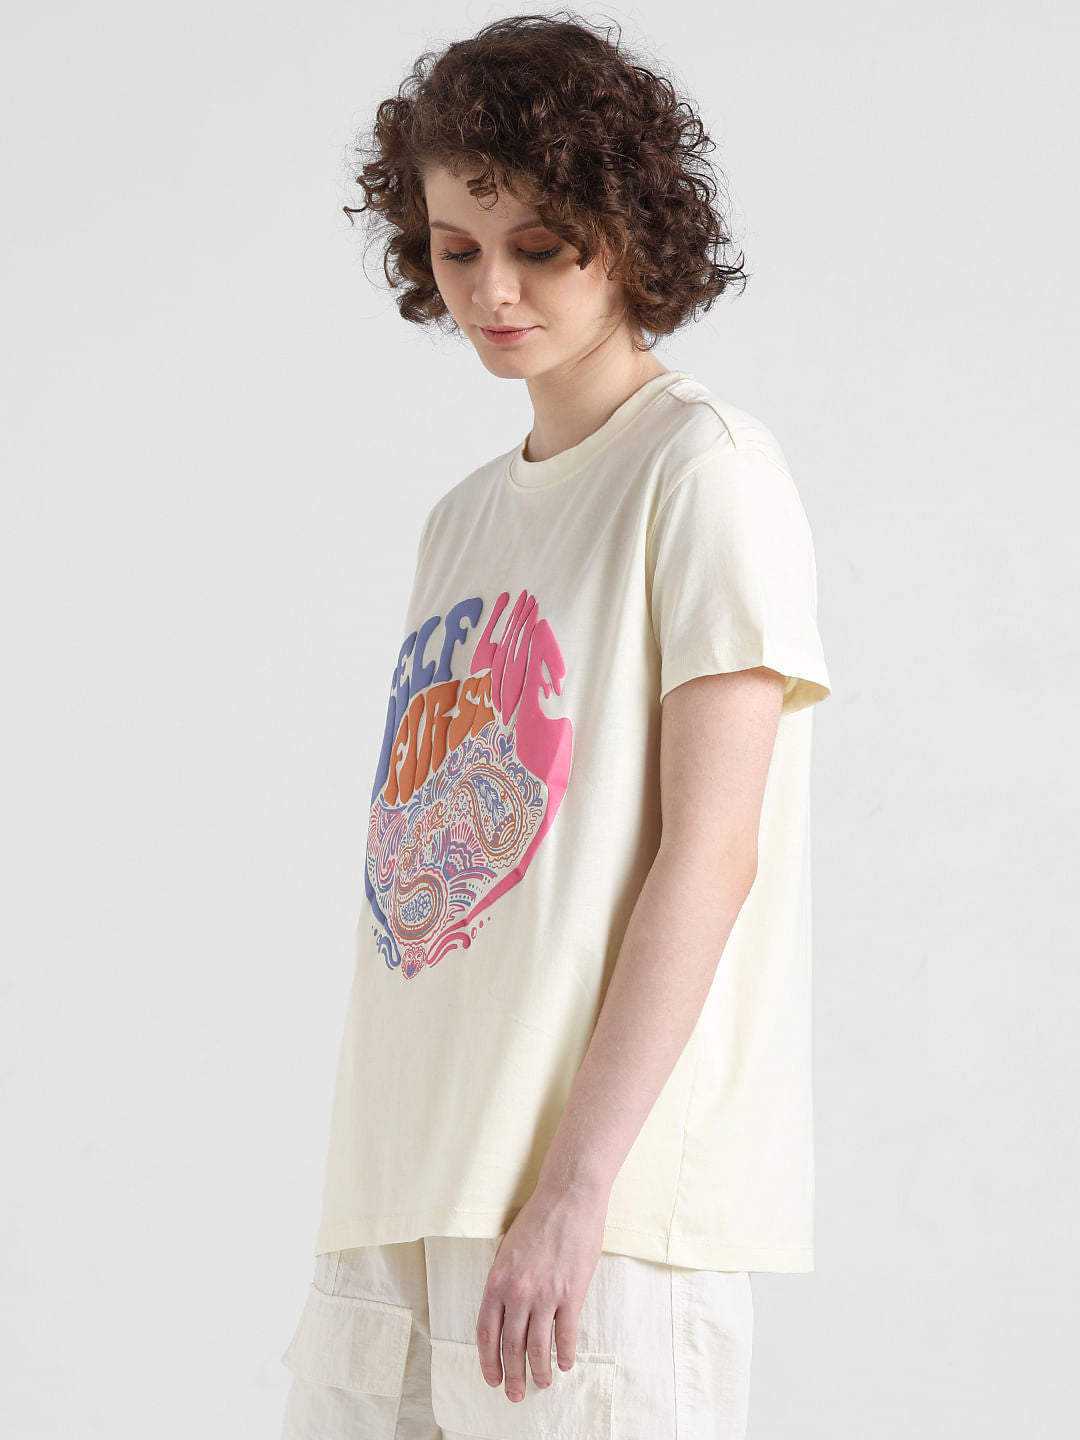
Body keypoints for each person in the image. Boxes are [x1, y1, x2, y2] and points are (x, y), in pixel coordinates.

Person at [280, 11, 832, 1439]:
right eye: (458, 248)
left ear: (628, 233)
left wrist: (579, 1188)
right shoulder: (460, 520)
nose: (493, 289)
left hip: (592, 1214)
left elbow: (711, 851)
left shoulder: (703, 471)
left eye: (539, 246)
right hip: (403, 1189)